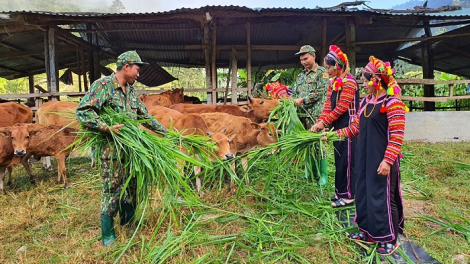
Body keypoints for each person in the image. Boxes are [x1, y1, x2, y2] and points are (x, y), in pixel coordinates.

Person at [75, 50, 168, 247]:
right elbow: (83, 111)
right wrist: (105, 128)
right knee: (112, 189)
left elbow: (146, 118)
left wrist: (168, 133)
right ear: (126, 67)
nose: (138, 74)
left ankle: (128, 223)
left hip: (132, 152)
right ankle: (108, 235)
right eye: (137, 69)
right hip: (112, 152)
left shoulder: (132, 92)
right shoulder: (103, 86)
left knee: (132, 187)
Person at [335, 56, 406, 256]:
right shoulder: (366, 101)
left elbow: (397, 135)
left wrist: (387, 160)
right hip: (363, 158)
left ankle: (389, 238)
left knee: (382, 196)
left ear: (376, 79)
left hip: (382, 159)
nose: (364, 85)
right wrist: (333, 135)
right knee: (364, 193)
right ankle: (367, 232)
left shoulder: (393, 103)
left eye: (366, 81)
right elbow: (355, 127)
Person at [311, 45, 359, 207]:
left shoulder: (350, 83)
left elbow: (341, 108)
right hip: (338, 125)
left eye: (329, 67)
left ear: (338, 65)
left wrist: (324, 123)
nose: (327, 71)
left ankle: (349, 195)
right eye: (326, 68)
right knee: (339, 158)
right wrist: (320, 122)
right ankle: (341, 192)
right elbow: (328, 106)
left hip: (350, 126)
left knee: (348, 160)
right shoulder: (333, 83)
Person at [291, 45, 329, 186]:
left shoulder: (322, 73)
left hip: (316, 115)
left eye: (306, 58)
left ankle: (322, 175)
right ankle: (309, 172)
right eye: (301, 60)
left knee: (318, 143)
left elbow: (321, 91)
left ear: (314, 56)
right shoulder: (301, 75)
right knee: (307, 143)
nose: (304, 62)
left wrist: (303, 100)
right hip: (302, 115)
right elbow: (295, 93)